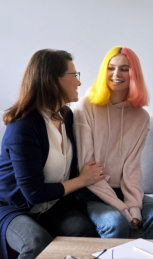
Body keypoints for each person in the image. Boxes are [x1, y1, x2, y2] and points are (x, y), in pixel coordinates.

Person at [0, 49, 105, 259]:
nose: (79, 83)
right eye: (74, 75)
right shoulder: (23, 126)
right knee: (36, 242)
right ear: (52, 80)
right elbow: (34, 193)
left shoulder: (67, 116)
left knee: (82, 229)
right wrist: (82, 180)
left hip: (52, 206)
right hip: (14, 208)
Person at [73, 46, 153, 239]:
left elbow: (132, 169)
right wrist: (123, 209)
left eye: (124, 68)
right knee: (115, 223)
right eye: (111, 68)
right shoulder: (85, 107)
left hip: (123, 190)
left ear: (134, 74)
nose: (116, 74)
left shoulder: (141, 117)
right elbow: (87, 167)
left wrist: (134, 208)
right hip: (91, 191)